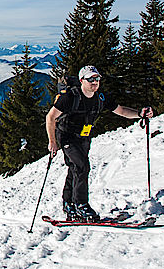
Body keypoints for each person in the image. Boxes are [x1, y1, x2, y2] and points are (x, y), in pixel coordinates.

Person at [45, 65, 153, 222]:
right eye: (91, 79)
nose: (95, 82)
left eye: (97, 79)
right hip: (67, 136)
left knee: (74, 169)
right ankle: (81, 205)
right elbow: (50, 117)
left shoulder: (101, 98)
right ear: (82, 81)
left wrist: (139, 114)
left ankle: (69, 205)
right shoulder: (70, 97)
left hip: (84, 137)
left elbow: (121, 111)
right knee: (82, 166)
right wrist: (52, 141)